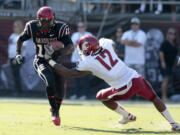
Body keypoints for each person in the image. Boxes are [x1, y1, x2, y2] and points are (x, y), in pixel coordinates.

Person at [45, 35, 180, 131]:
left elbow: (70, 73)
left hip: (124, 88)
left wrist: (50, 61)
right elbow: (111, 42)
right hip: (136, 78)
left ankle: (126, 116)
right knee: (154, 98)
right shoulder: (106, 45)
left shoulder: (88, 62)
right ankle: (174, 124)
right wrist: (113, 51)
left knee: (101, 96)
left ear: (87, 49)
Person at [15, 6, 74, 126]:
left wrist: (59, 52)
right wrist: (18, 54)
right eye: (43, 21)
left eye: (48, 21)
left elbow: (70, 46)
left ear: (53, 19)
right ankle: (55, 112)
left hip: (55, 61)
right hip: (40, 60)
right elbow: (20, 39)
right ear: (38, 20)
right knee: (49, 80)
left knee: (61, 86)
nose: (46, 24)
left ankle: (55, 108)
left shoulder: (60, 28)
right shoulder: (32, 27)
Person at [70, 22, 92, 100]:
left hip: (85, 60)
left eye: (82, 26)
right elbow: (72, 45)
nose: (80, 28)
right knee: (76, 78)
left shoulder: (89, 34)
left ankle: (85, 94)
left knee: (85, 78)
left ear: (85, 27)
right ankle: (76, 94)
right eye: (79, 26)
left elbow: (91, 46)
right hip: (75, 59)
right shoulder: (75, 35)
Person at [159, 28, 178, 101]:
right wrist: (163, 62)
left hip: (171, 66)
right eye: (170, 33)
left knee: (167, 80)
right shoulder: (165, 43)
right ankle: (163, 97)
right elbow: (161, 52)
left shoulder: (174, 44)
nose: (172, 35)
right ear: (167, 34)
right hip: (165, 65)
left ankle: (165, 96)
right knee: (165, 80)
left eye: (174, 34)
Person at [8, 20, 25, 94]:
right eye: (14, 26)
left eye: (16, 26)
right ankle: (16, 90)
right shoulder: (12, 35)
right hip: (12, 57)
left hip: (18, 58)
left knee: (16, 74)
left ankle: (18, 91)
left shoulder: (22, 36)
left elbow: (22, 48)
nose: (14, 28)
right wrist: (9, 58)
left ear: (20, 27)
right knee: (14, 74)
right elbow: (10, 47)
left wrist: (16, 58)